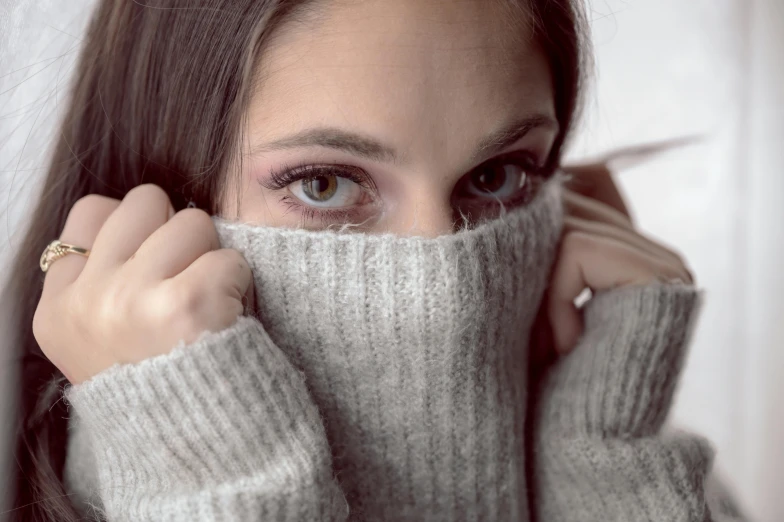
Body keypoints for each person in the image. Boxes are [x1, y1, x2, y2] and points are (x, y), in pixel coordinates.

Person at [4, 0, 746, 520]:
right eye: (324, 184)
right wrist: (208, 477)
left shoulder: (662, 477)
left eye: (496, 176)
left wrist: (608, 467)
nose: (444, 286)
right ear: (161, 194)